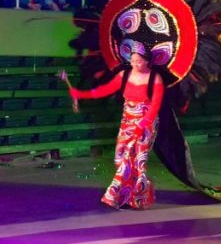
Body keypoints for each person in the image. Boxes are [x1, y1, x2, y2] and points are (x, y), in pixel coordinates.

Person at [66, 51, 165, 209]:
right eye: (132, 61)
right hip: (127, 121)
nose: (135, 64)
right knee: (120, 159)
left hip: (146, 122)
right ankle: (130, 195)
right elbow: (103, 90)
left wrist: (142, 125)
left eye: (139, 61)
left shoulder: (155, 78)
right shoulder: (124, 75)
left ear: (147, 61)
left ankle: (129, 198)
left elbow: (155, 106)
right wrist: (81, 94)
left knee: (135, 160)